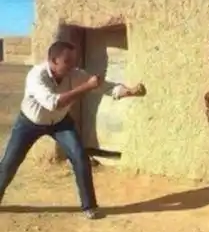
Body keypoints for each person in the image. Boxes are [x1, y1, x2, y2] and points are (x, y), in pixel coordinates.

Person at [0, 40, 146, 219]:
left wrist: (128, 91)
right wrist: (87, 86)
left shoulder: (75, 74)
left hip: (60, 122)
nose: (72, 65)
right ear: (53, 61)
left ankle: (89, 207)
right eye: (67, 61)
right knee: (9, 163)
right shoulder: (36, 76)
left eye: (74, 61)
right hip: (30, 123)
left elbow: (105, 86)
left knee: (80, 157)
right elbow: (54, 103)